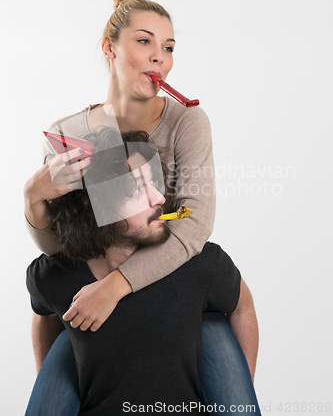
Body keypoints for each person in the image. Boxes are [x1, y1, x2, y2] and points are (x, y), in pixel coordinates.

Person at [24, 0, 260, 415]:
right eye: (144, 41)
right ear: (109, 48)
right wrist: (33, 198)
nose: (160, 58)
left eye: (168, 47)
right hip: (94, 296)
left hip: (178, 295)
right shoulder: (70, 131)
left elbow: (192, 222)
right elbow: (68, 242)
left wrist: (116, 287)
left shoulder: (187, 121)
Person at [26, 127, 258, 415]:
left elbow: (241, 306)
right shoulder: (52, 275)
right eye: (137, 189)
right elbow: (44, 313)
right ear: (96, 208)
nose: (159, 198)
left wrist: (238, 396)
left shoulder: (199, 264)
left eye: (154, 182)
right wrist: (48, 385)